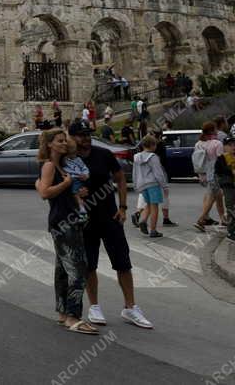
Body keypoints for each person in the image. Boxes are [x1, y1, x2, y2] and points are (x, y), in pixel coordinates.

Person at [67, 121, 153, 329]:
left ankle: (130, 307)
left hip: (109, 217)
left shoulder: (103, 154)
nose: (85, 138)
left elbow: (121, 178)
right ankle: (94, 306)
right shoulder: (68, 159)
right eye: (80, 135)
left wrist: (123, 207)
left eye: (88, 134)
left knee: (123, 262)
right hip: (84, 220)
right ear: (71, 137)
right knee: (89, 265)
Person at [35, 127, 97, 334]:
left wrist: (77, 191)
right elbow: (45, 192)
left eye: (64, 141)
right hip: (63, 222)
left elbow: (50, 189)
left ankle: (63, 314)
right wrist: (67, 184)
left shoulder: (62, 165)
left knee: (63, 270)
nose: (64, 143)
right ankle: (73, 317)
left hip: (69, 219)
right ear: (50, 144)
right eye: (60, 141)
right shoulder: (50, 165)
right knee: (78, 269)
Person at [132, 135, 168, 238]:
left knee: (148, 204)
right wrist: (164, 186)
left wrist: (136, 185)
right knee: (155, 206)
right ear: (152, 145)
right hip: (153, 184)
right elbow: (158, 173)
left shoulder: (137, 157)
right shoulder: (153, 157)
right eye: (155, 144)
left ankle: (143, 220)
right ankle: (153, 230)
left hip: (142, 185)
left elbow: (135, 172)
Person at [193, 121, 225, 233]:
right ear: (212, 130)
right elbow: (220, 160)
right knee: (212, 196)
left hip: (203, 174)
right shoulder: (217, 144)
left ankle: (223, 219)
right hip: (214, 173)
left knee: (218, 195)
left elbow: (197, 161)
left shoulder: (198, 144)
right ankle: (201, 219)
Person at [217, 138, 235, 243]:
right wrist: (230, 171)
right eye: (231, 145)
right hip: (229, 186)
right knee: (230, 207)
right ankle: (231, 230)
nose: (233, 147)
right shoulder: (221, 158)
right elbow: (219, 171)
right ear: (225, 147)